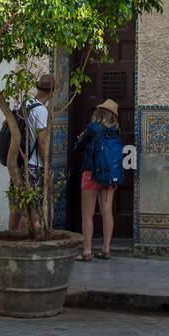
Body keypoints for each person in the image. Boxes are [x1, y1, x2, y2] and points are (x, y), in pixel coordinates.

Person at [74, 100, 123, 260]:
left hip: (91, 173)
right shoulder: (116, 131)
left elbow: (78, 147)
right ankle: (106, 249)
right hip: (110, 177)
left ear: (99, 113)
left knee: (87, 214)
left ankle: (87, 251)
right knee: (107, 212)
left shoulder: (92, 129)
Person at [7, 72, 54, 232]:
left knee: (16, 206)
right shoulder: (41, 110)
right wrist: (46, 166)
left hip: (19, 163)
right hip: (33, 166)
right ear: (52, 92)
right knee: (30, 209)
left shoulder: (25, 104)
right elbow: (42, 141)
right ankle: (23, 243)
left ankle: (11, 239)